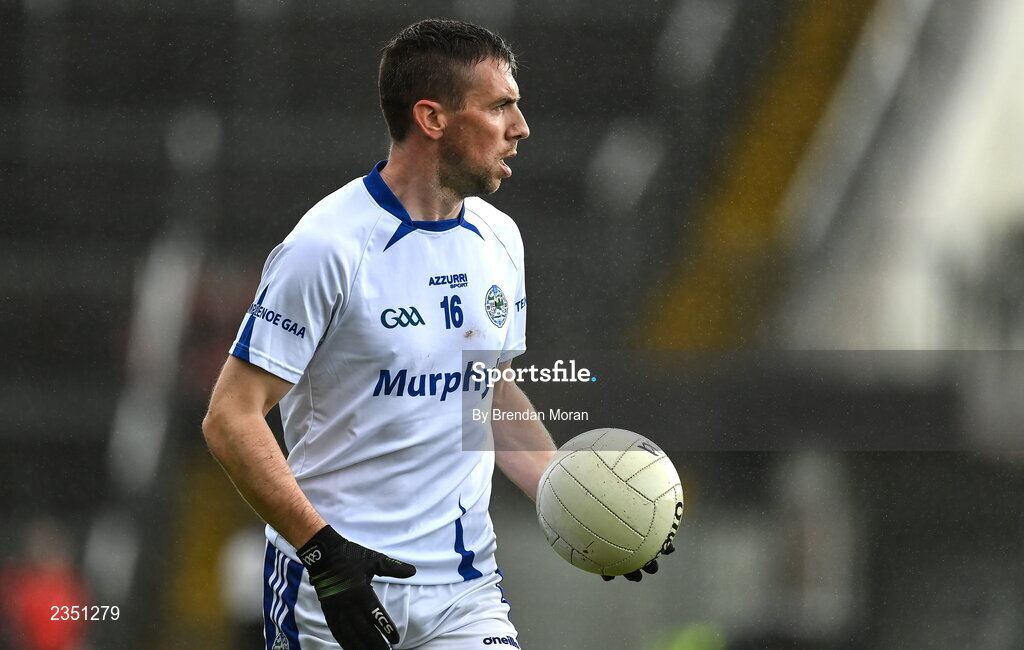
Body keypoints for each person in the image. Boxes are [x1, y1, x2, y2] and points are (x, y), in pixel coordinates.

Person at [203, 18, 662, 650]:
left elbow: (487, 395)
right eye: (501, 106)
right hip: (335, 588)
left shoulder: (501, 238)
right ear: (432, 118)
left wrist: (573, 499)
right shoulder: (326, 247)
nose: (520, 127)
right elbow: (231, 417)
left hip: (465, 592)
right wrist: (323, 553)